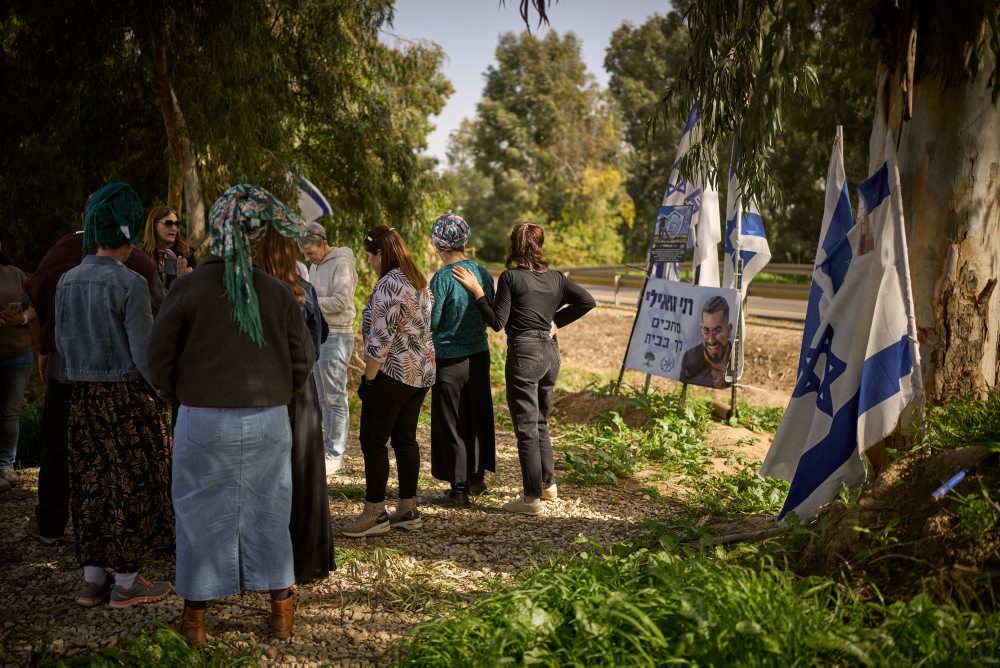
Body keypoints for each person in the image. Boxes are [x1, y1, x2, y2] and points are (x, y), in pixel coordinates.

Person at [149, 184, 315, 647]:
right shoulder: (279, 292)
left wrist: (175, 395)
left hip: (202, 416)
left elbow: (157, 356)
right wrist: (281, 394)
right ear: (258, 235)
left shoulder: (187, 287)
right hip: (266, 417)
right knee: (269, 509)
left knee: (201, 514)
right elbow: (304, 360)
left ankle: (195, 621)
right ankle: (282, 611)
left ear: (218, 232)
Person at [54, 182, 174, 608]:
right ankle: (126, 582)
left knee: (91, 485)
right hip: (125, 400)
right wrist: (165, 392)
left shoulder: (67, 281)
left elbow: (62, 347)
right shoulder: (131, 283)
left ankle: (92, 580)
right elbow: (144, 353)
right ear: (126, 234)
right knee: (129, 486)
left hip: (83, 399)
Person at [24, 211, 163, 546]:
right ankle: (124, 540)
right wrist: (161, 386)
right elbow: (153, 322)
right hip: (121, 380)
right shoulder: (137, 267)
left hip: (68, 374)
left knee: (66, 456)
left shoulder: (62, 260)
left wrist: (45, 352)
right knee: (119, 463)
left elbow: (38, 314)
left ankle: (57, 529)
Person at [453, 222, 595, 515]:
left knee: (527, 428)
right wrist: (557, 321)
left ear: (514, 246)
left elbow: (497, 322)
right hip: (550, 354)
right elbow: (587, 301)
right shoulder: (556, 278)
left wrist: (479, 292)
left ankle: (531, 499)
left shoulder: (511, 278)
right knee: (540, 422)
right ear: (540, 245)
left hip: (525, 355)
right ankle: (548, 484)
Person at [342, 225, 435, 538]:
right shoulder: (419, 281)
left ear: (380, 253)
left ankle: (374, 511)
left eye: (369, 255)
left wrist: (368, 381)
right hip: (420, 373)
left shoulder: (388, 286)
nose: (368, 261)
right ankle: (408, 507)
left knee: (372, 439)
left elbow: (380, 340)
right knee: (405, 439)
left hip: (394, 373)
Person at [255, 224, 335, 585]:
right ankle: (305, 559)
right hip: (301, 392)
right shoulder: (305, 292)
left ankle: (265, 561)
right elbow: (318, 341)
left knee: (266, 478)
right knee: (302, 477)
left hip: (264, 392)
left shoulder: (252, 294)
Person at [427, 214, 495, 508]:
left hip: (449, 358)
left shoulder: (442, 278)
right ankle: (477, 477)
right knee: (476, 414)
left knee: (451, 421)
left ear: (438, 244)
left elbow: (434, 320)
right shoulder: (483, 272)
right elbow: (488, 309)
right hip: (479, 354)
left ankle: (459, 489)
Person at [298, 222, 358, 475]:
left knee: (335, 396)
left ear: (324, 244)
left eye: (311, 252)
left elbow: (342, 301)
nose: (308, 258)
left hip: (337, 335)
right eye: (305, 255)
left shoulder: (342, 262)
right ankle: (326, 446)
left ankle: (336, 452)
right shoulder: (315, 264)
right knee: (322, 396)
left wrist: (307, 301)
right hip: (320, 333)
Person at [0, 241, 35, 493]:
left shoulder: (15, 274)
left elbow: (34, 306)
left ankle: (6, 465)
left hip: (17, 354)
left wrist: (21, 318)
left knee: (10, 412)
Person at [679, 296, 733, 389]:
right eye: (706, 331)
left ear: (728, 330)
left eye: (717, 330)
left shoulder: (734, 358)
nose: (711, 340)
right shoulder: (690, 359)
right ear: (701, 329)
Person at [140, 205, 195, 290]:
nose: (174, 228)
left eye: (176, 224)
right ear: (154, 226)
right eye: (168, 223)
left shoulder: (186, 254)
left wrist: (182, 281)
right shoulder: (141, 255)